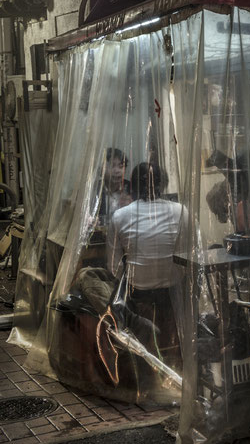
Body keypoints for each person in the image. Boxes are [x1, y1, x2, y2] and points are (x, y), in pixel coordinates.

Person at [106, 162, 187, 378]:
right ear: (164, 184)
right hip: (172, 294)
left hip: (138, 294)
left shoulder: (120, 217)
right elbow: (189, 257)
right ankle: (176, 360)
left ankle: (140, 365)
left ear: (132, 186)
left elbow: (114, 268)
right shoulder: (180, 212)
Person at [98, 148, 132, 221]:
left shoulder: (131, 189)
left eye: (121, 166)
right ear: (102, 169)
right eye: (112, 166)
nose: (117, 171)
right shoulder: (95, 190)